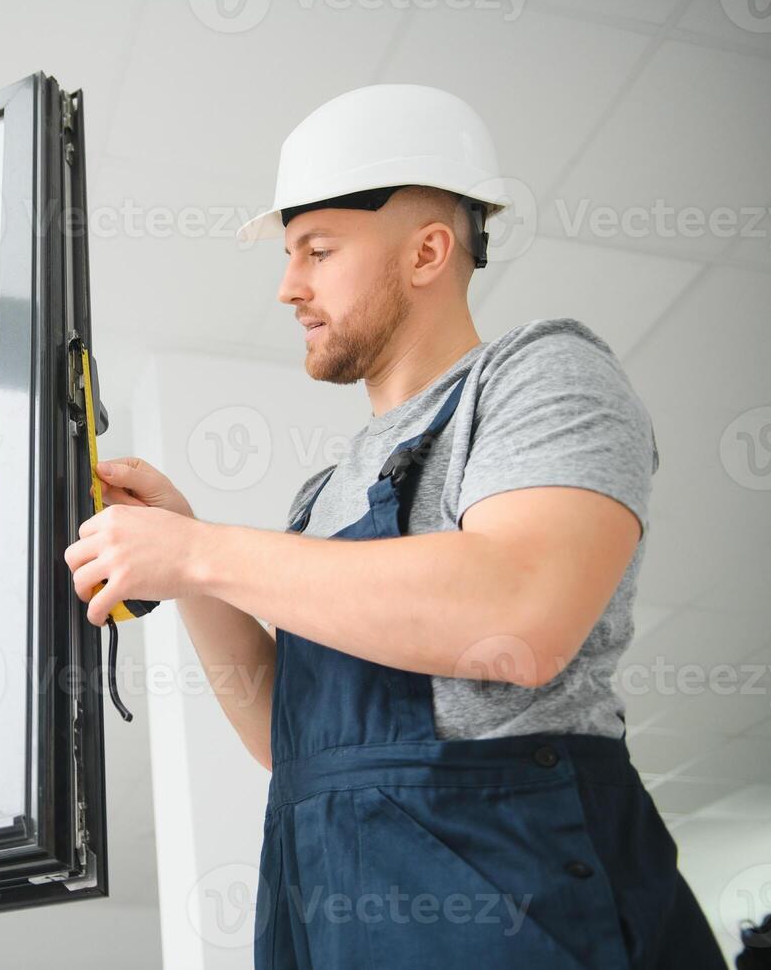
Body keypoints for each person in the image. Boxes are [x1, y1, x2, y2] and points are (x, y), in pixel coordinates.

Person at [63, 84, 725, 969]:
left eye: (317, 250)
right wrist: (191, 572)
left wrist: (204, 550)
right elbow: (291, 745)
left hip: (522, 911)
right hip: (333, 912)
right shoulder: (320, 496)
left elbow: (518, 618)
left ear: (426, 252)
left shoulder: (539, 377)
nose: (287, 286)